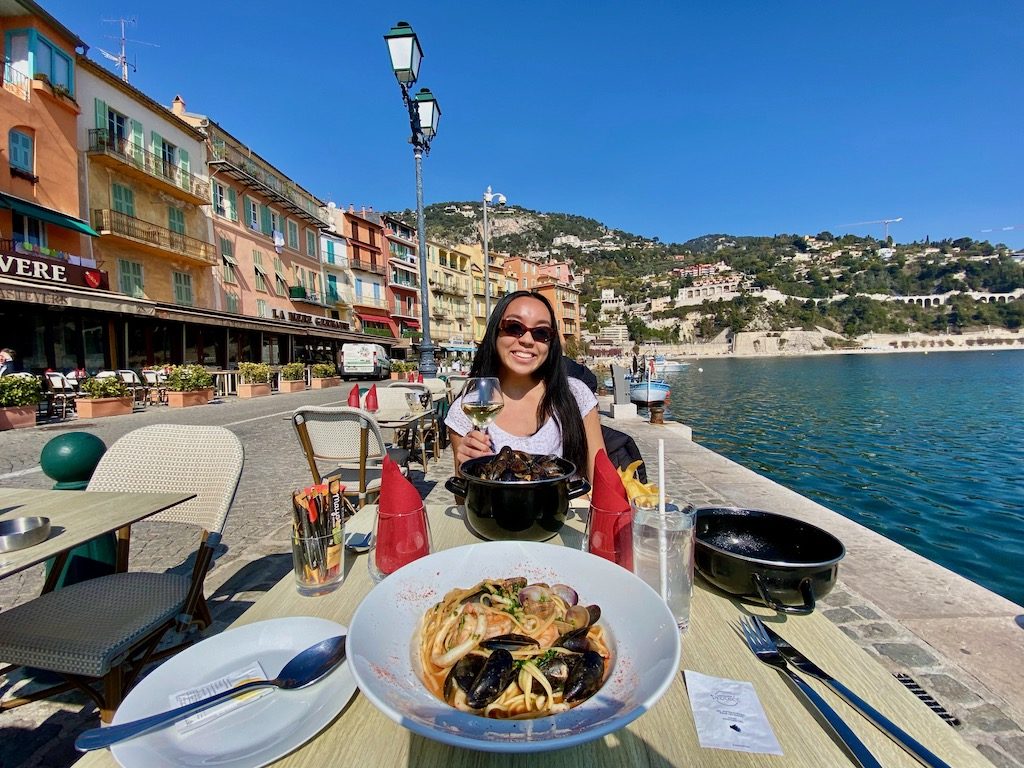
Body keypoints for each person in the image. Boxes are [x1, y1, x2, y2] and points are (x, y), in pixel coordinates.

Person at [446, 291, 606, 481]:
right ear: (495, 332)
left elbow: (602, 482)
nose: (527, 340)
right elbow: (462, 499)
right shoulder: (466, 410)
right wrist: (466, 469)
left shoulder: (576, 395)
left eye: (541, 333)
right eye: (514, 327)